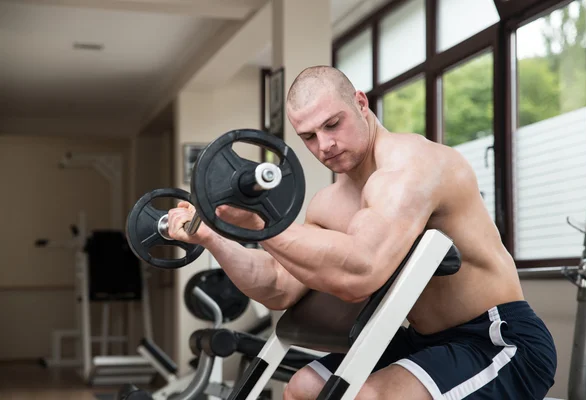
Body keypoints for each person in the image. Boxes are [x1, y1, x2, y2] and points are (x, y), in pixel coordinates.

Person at [167, 66, 557, 399]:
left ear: (360, 102)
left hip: (496, 337)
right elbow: (278, 286)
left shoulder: (412, 166)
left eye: (332, 124)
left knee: (367, 396)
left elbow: (362, 272)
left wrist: (264, 227)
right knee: (303, 387)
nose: (325, 145)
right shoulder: (328, 203)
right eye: (309, 137)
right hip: (422, 339)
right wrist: (213, 235)